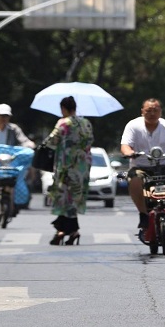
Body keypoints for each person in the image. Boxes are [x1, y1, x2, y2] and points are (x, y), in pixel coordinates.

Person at [120, 98, 165, 234]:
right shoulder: (133, 125)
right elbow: (125, 145)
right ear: (142, 112)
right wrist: (129, 152)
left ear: (160, 112)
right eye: (148, 111)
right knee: (134, 180)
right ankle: (143, 214)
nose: (152, 114)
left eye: (155, 110)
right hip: (141, 166)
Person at [44, 97, 94, 245]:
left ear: (63, 108)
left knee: (63, 198)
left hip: (66, 166)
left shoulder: (63, 123)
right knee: (74, 199)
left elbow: (52, 141)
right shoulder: (86, 123)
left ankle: (63, 230)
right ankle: (70, 231)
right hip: (82, 167)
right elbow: (90, 141)